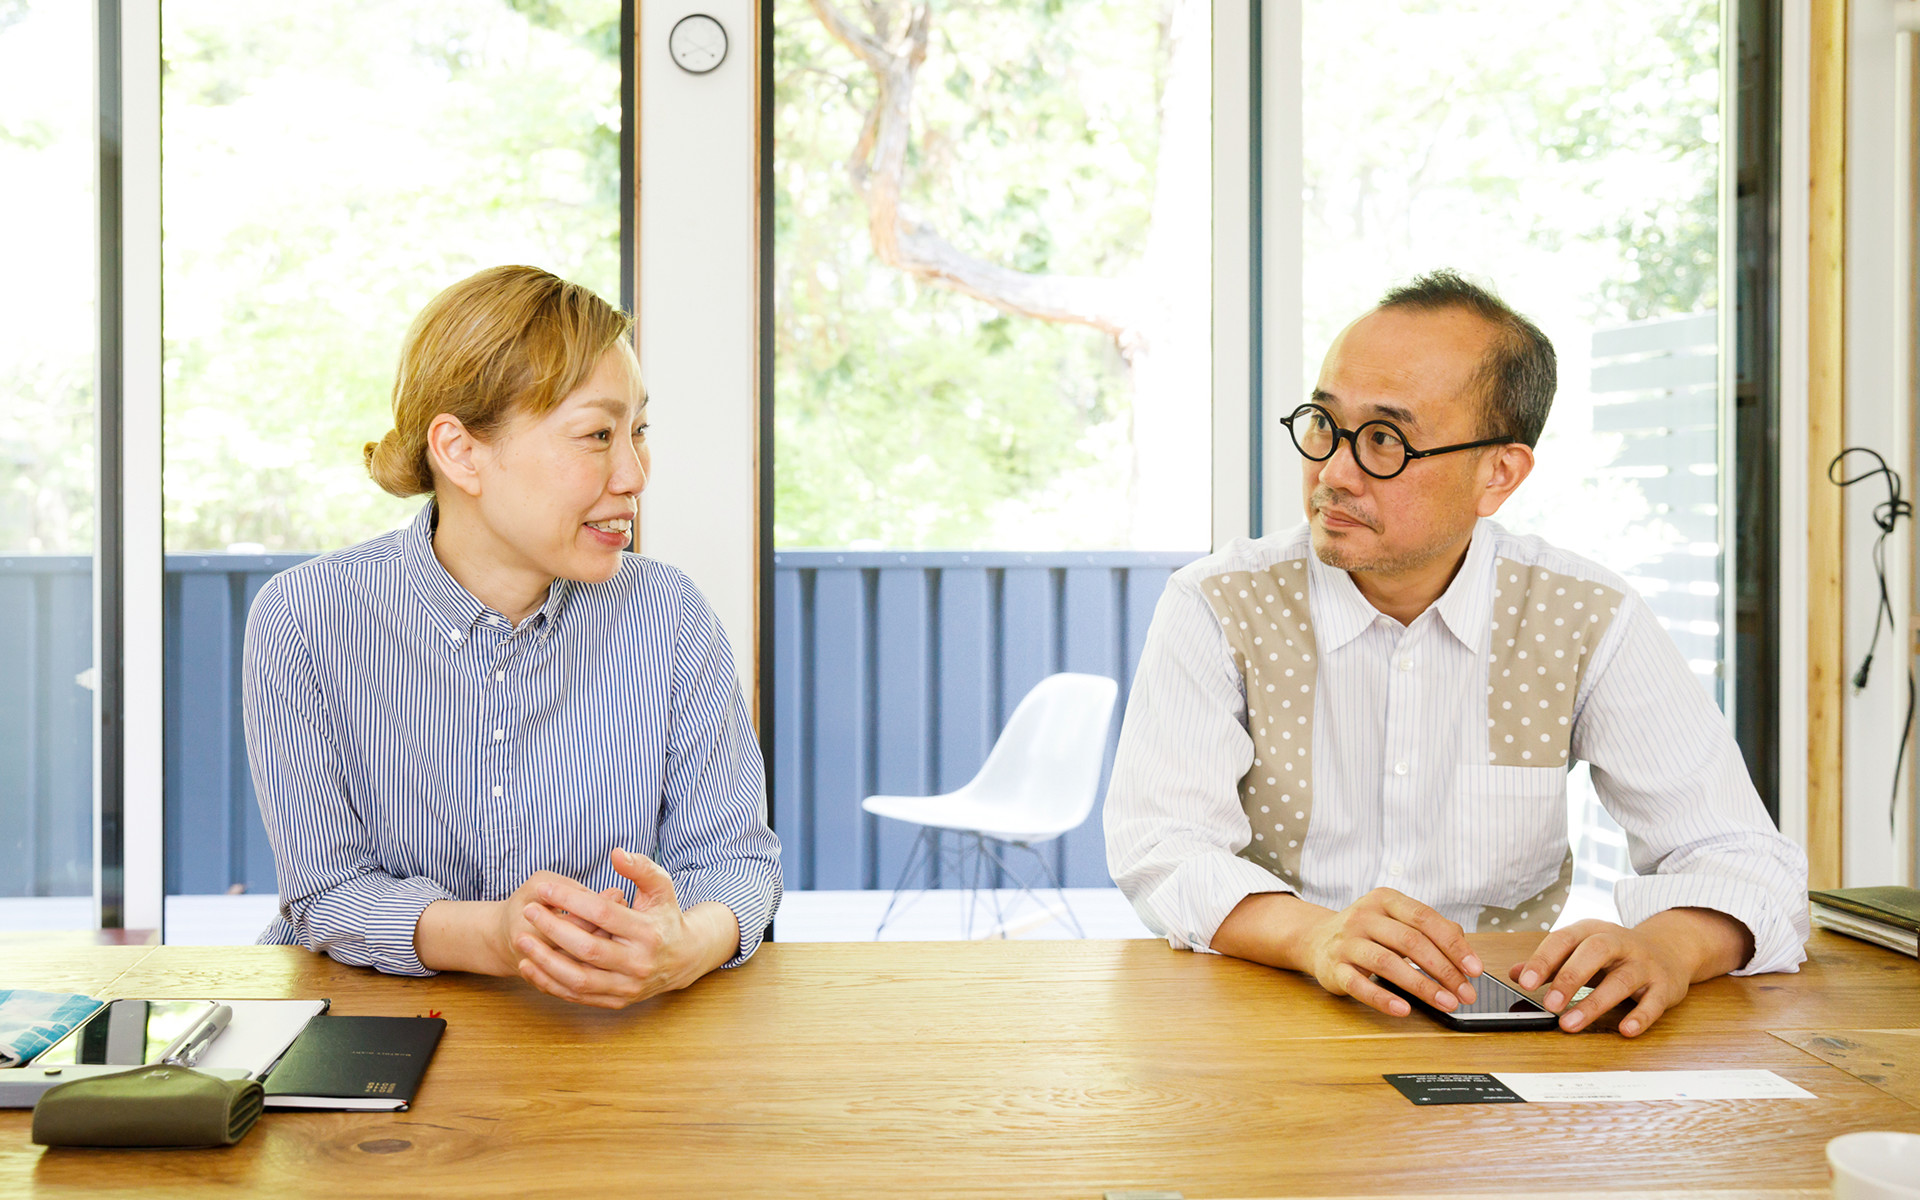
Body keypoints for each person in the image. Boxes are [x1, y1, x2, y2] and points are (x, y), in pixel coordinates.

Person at [1105, 270, 1807, 1037]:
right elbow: (1162, 847)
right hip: (1263, 1014)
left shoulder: (1584, 615)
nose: (1332, 473)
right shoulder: (1217, 604)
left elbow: (1743, 858)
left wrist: (1668, 947)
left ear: (1498, 474)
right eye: (1323, 423)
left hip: (1501, 1025)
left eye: (1384, 440)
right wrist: (1315, 937)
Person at [244, 265, 781, 1009]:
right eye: (597, 434)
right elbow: (325, 891)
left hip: (607, 1028)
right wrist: (496, 936)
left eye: (638, 431)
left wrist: (689, 943)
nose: (634, 474)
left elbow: (738, 862)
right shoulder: (304, 618)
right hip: (368, 1017)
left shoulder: (671, 614)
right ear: (461, 452)